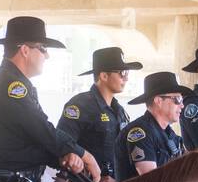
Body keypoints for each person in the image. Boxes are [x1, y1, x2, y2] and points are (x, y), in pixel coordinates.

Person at [0, 16, 101, 182]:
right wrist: (84, 155)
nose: (47, 56)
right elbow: (42, 130)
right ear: (25, 50)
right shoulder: (12, 87)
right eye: (43, 49)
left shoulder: (1, 82)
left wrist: (63, 156)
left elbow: (25, 139)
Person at [57, 47, 140, 175]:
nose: (126, 78)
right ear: (104, 76)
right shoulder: (80, 105)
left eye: (127, 72)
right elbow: (62, 142)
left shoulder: (121, 112)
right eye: (122, 73)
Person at [114, 71, 189, 181]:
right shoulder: (139, 133)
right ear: (158, 101)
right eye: (177, 99)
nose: (182, 105)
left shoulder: (171, 135)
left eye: (182, 99)